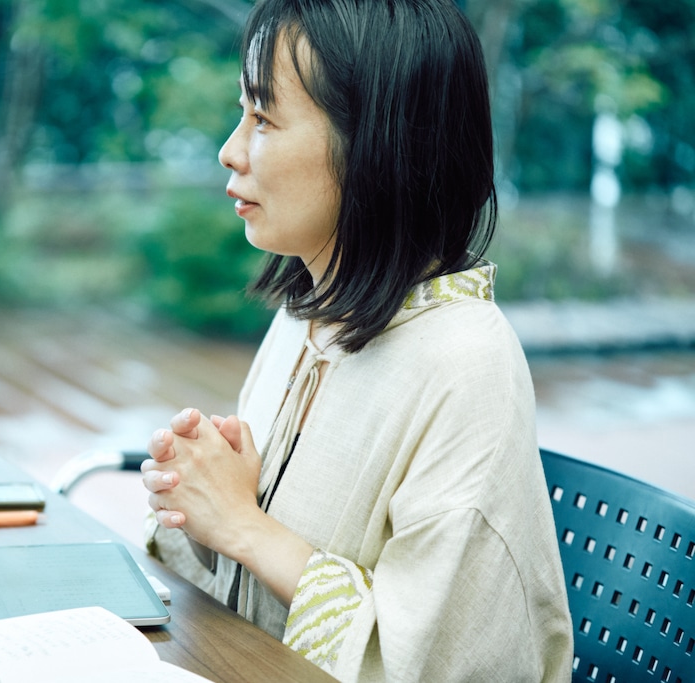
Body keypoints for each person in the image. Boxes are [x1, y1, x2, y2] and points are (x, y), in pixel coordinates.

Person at [140, 0, 574, 680]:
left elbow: (431, 664)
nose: (230, 150)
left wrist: (244, 527)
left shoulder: (467, 364)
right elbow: (244, 571)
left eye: (263, 118)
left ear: (376, 142)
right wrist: (200, 503)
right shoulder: (308, 313)